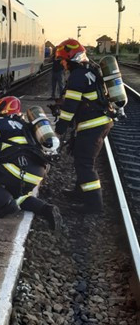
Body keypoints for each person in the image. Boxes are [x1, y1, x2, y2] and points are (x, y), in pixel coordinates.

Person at [0, 96, 62, 229]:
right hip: (36, 172)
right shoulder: (26, 125)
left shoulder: (2, 122)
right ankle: (46, 209)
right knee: (19, 197)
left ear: (3, 109)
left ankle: (5, 204)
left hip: (17, 168)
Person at [54, 39, 113, 214]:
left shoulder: (77, 76)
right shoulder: (90, 70)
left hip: (92, 125)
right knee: (82, 160)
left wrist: (60, 128)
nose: (62, 64)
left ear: (71, 58)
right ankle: (80, 193)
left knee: (85, 164)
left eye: (63, 60)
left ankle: (94, 205)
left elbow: (70, 106)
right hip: (99, 122)